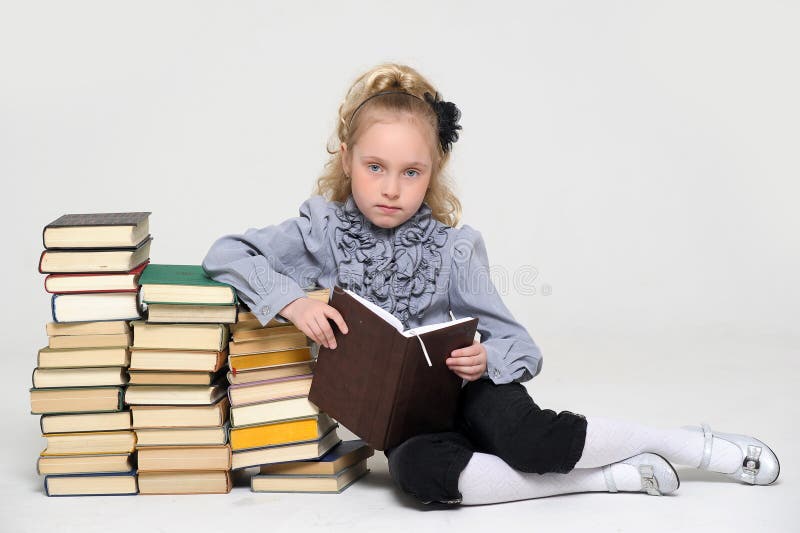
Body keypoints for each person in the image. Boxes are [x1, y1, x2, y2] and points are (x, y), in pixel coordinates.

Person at [202, 63, 779, 506]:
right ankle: (603, 480)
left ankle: (686, 443)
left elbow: (519, 345)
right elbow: (226, 252)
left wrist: (484, 359)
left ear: (434, 172)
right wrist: (294, 300)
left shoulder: (456, 247)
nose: (391, 188)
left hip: (471, 389)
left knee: (527, 439)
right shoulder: (319, 231)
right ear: (347, 157)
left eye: (412, 172)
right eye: (374, 167)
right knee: (416, 477)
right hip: (404, 417)